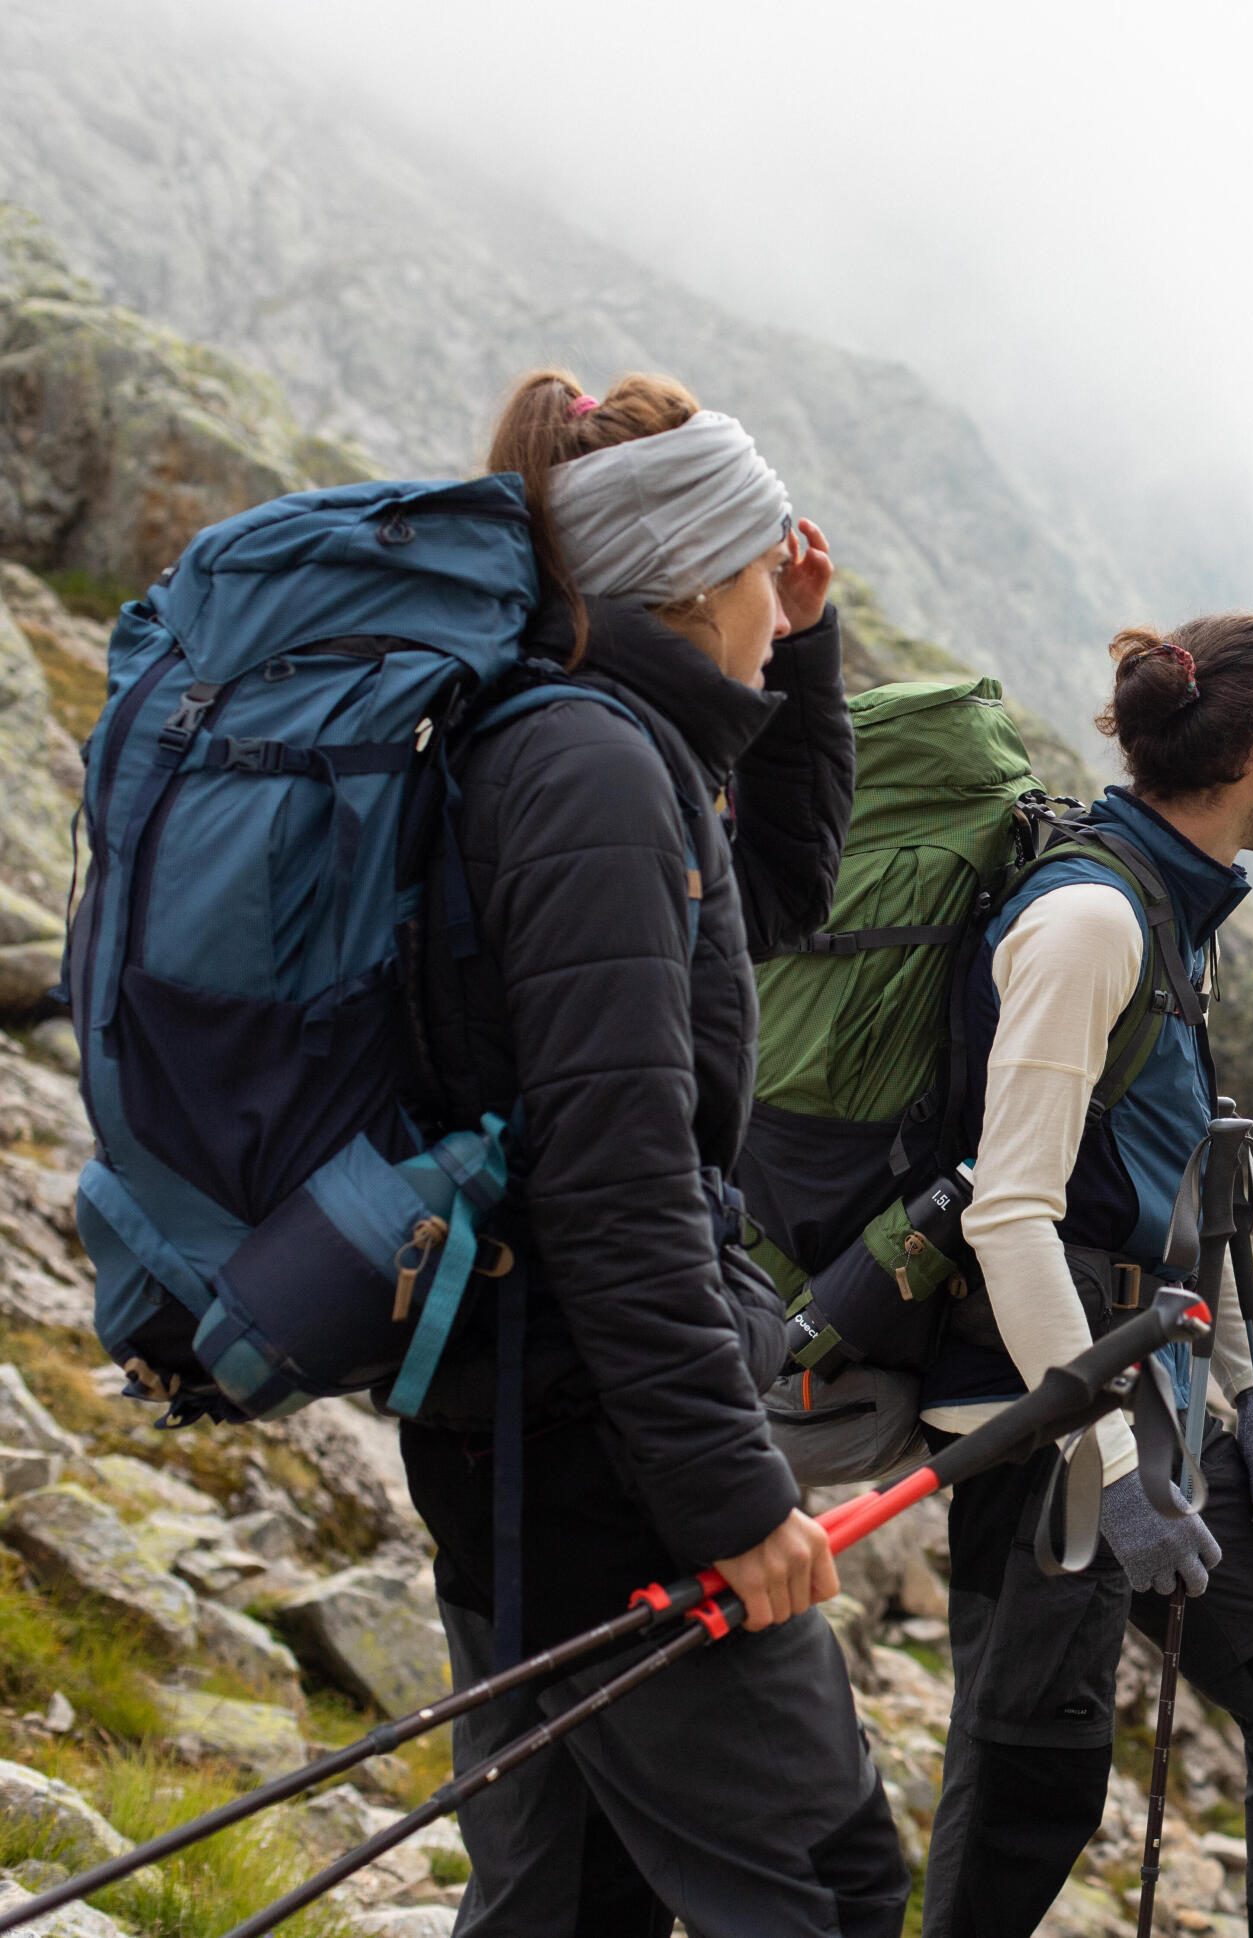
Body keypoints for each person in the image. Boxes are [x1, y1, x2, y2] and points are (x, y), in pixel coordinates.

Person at [392, 369, 911, 1938]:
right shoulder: (597, 777)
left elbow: (772, 909)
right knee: (827, 1886)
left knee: (564, 1903)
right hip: (599, 1457)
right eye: (765, 569)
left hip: (517, 1430)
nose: (780, 594)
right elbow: (613, 1186)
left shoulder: (600, 752)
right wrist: (735, 1504)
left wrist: (808, 653)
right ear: (689, 569)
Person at [917, 617, 1253, 1938]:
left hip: (1152, 1396)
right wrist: (1115, 1475)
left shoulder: (1177, 910)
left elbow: (1179, 1195)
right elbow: (1010, 1214)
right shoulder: (1088, 919)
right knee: (1030, 1780)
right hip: (1039, 1406)